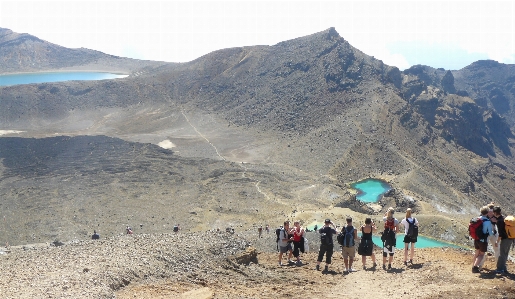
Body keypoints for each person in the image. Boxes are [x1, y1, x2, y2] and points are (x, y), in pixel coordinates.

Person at [472, 206, 494, 273]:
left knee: (477, 253)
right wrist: (493, 232)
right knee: (481, 254)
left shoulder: (477, 219)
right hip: (483, 239)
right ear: (487, 213)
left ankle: (473, 265)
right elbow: (490, 233)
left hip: (476, 239)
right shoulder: (487, 221)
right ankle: (475, 267)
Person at [479, 203, 499, 269]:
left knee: (497, 249)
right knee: (483, 249)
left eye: (492, 211)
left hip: (494, 234)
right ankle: (480, 265)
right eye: (489, 211)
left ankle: (499, 265)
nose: (491, 213)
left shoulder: (496, 216)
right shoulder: (483, 216)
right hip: (486, 235)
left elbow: (501, 223)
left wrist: (497, 222)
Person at [493, 206, 510, 274]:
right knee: (505, 253)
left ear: (495, 213)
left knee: (502, 254)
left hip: (505, 239)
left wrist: (497, 241)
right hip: (510, 238)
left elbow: (500, 234)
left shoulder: (499, 221)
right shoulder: (504, 218)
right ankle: (504, 268)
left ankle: (500, 269)